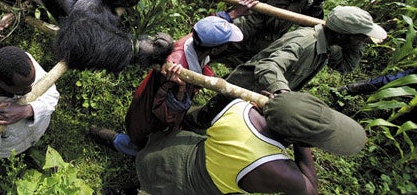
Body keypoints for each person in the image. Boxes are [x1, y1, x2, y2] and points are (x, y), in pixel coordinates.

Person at [90, 3, 254, 155]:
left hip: (146, 100)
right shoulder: (177, 71)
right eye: (227, 43)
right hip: (149, 117)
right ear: (218, 48)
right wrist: (181, 90)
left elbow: (206, 27)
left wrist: (231, 14)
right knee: (141, 144)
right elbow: (166, 114)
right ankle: (111, 139)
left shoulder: (193, 40)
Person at [188, 5, 388, 128]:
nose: (360, 41)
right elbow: (269, 66)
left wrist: (358, 40)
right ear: (342, 35)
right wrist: (282, 91)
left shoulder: (330, 46)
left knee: (224, 124)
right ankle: (174, 127)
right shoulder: (304, 42)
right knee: (207, 118)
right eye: (358, 37)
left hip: (260, 96)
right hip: (244, 88)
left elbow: (346, 66)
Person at [136, 91, 366, 194]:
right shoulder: (276, 167)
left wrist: (284, 110)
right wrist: (303, 143)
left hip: (166, 151)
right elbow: (311, 191)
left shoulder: (238, 107)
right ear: (294, 139)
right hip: (174, 187)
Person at [0, 46, 59, 159]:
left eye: (31, 83)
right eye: (22, 89)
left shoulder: (24, 65)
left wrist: (27, 111)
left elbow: (52, 94)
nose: (30, 90)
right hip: (12, 149)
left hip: (38, 130)